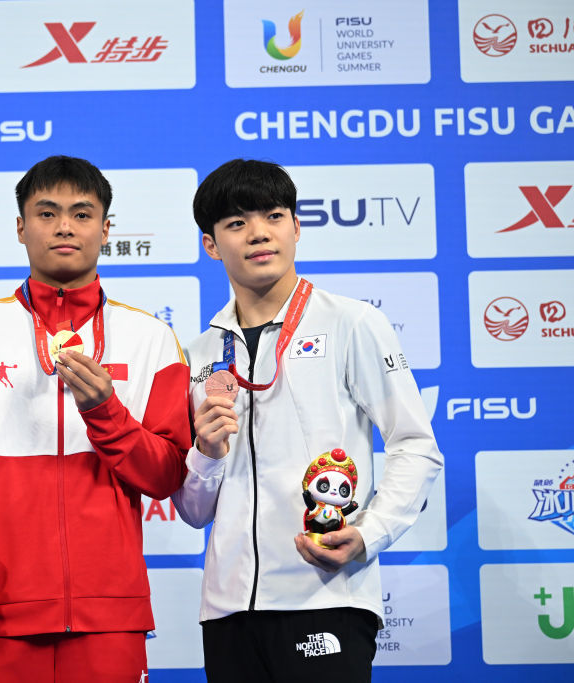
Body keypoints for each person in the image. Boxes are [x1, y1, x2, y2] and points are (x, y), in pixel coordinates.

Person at [0, 155, 191, 682]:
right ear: (20, 227)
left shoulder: (151, 339)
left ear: (106, 230)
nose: (65, 226)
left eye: (82, 214)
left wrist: (106, 413)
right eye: (47, 213)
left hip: (108, 617)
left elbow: (166, 476)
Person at [172, 159, 443, 682]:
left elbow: (415, 445)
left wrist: (368, 533)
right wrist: (204, 454)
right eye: (236, 223)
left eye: (273, 216)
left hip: (325, 593)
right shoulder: (199, 353)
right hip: (227, 609)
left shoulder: (351, 322)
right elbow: (194, 511)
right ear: (211, 245)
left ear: (296, 226)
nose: (258, 233)